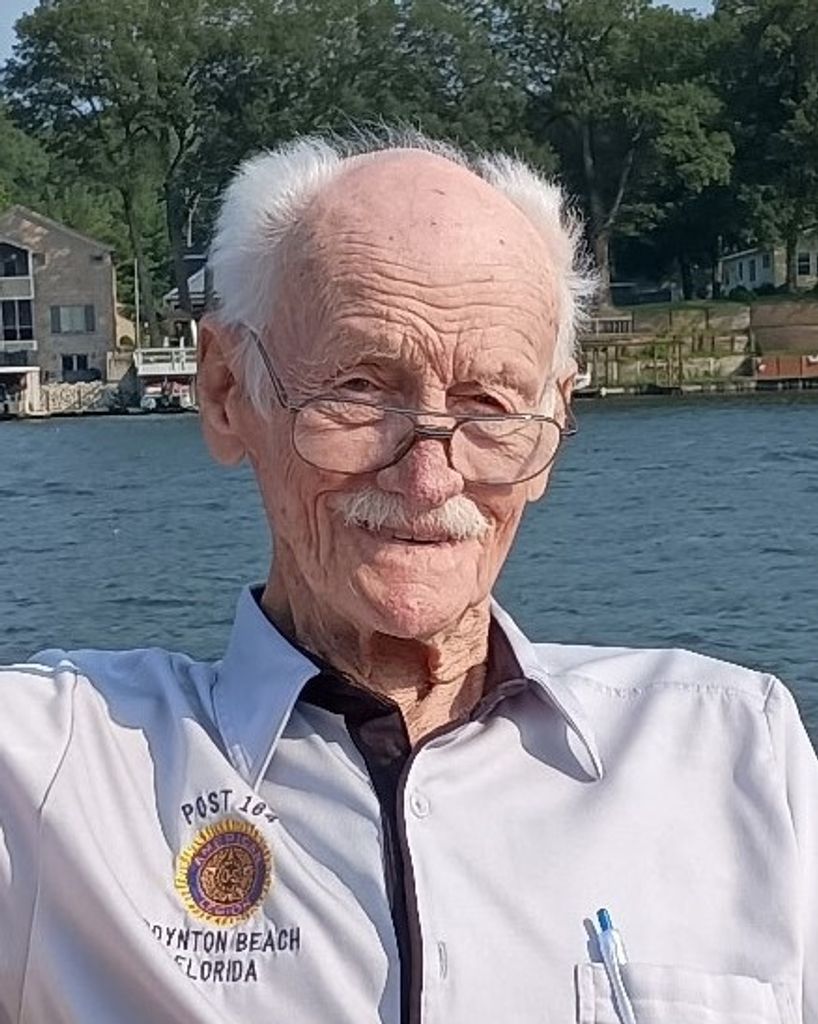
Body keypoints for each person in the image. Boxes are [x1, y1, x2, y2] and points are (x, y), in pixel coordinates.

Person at [1, 132, 816, 1024]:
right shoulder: (57, 781)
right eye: (359, 388)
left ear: (552, 425)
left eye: (489, 406)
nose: (429, 478)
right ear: (228, 393)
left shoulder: (734, 757)